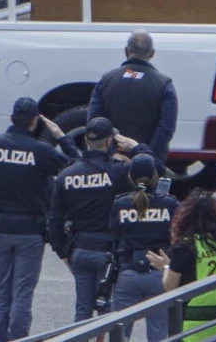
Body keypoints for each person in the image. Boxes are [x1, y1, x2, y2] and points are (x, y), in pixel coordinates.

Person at [0, 97, 78, 342]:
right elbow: (77, 166)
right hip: (30, 232)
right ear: (34, 121)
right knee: (22, 294)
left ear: (11, 118)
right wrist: (61, 135)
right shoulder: (41, 151)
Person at [49, 118, 157, 323]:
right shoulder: (119, 171)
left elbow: (55, 218)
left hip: (80, 249)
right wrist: (137, 147)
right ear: (109, 142)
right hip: (110, 251)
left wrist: (62, 249)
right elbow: (151, 168)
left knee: (82, 310)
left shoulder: (67, 174)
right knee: (109, 313)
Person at [144, 192, 216, 342]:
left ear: (185, 217)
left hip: (195, 321)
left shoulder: (185, 246)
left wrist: (165, 267)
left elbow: (170, 286)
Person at [109, 154, 178, 342]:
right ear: (155, 176)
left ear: (130, 177)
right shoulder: (169, 203)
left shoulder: (120, 204)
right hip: (159, 273)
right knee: (159, 333)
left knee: (119, 334)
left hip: (128, 273)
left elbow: (113, 236)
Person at [88, 30, 178, 163]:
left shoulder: (106, 80)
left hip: (110, 162)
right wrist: (146, 156)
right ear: (152, 53)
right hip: (147, 166)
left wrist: (111, 153)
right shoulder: (164, 84)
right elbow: (166, 129)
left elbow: (94, 120)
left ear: (126, 51)